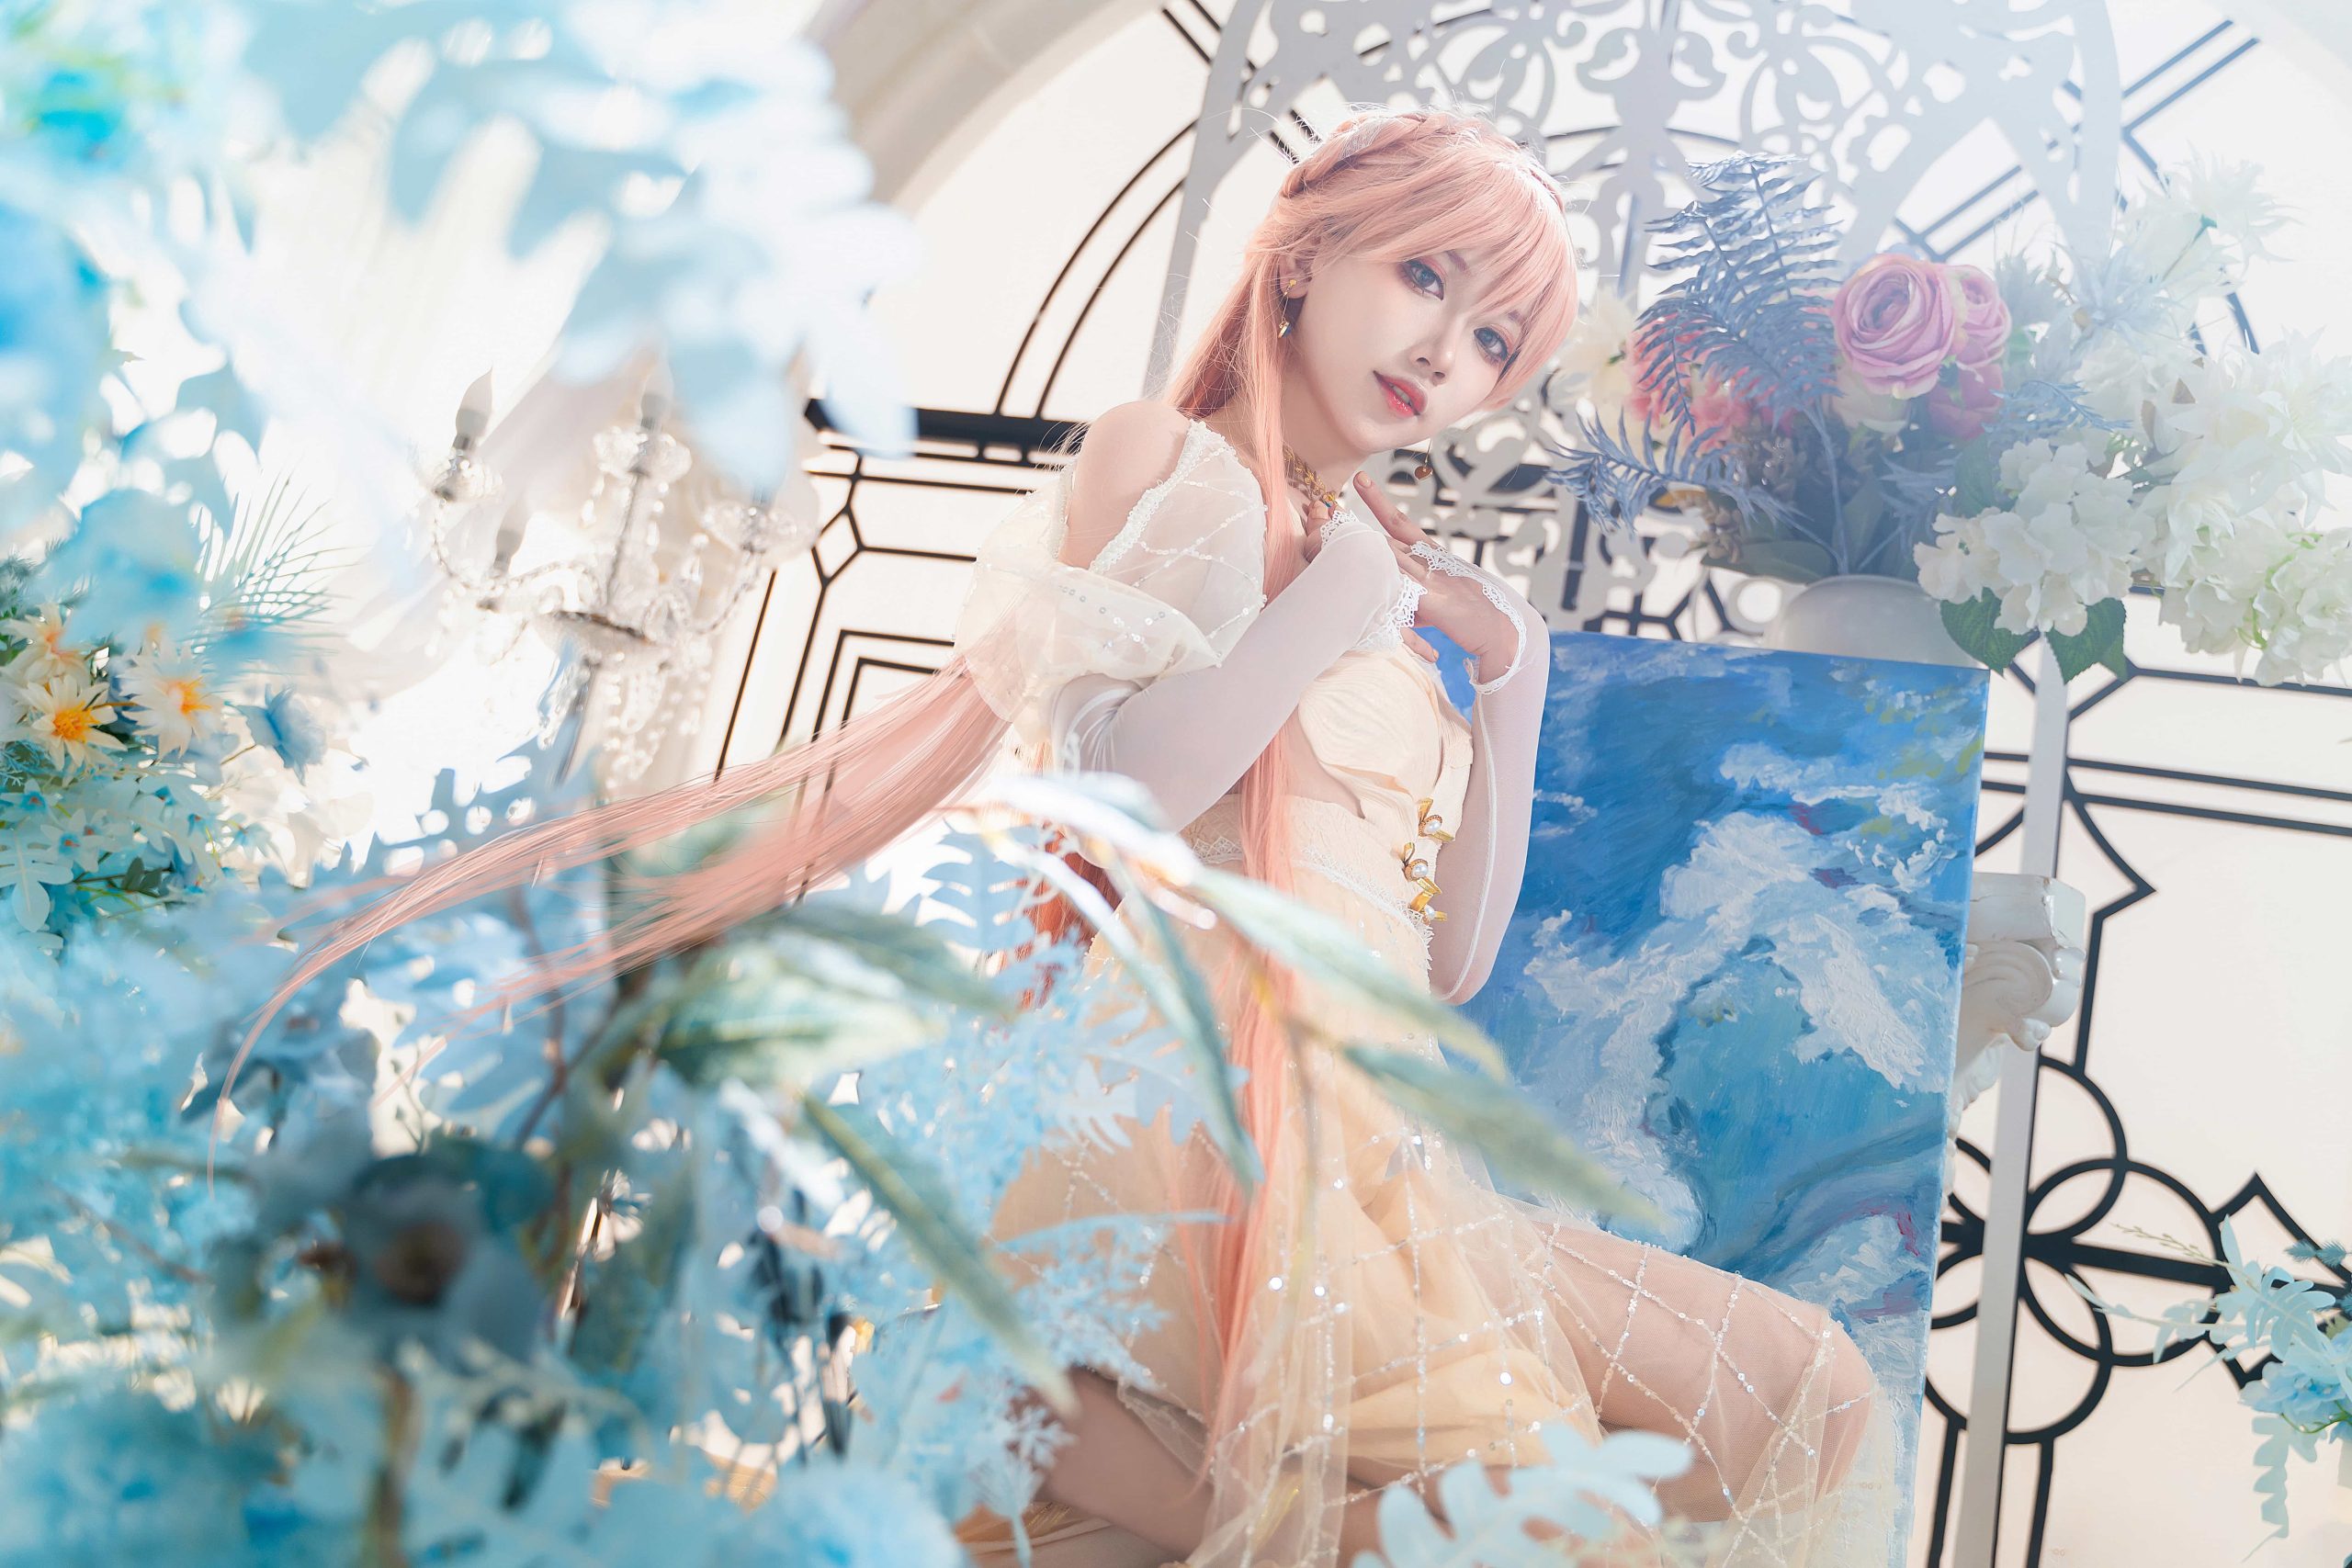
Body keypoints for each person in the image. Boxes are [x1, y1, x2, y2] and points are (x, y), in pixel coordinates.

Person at [252, 105, 1897, 1566]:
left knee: (1803, 1399)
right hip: (1185, 1095)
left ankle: (1212, 1503)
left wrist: (1514, 685)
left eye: (1493, 340)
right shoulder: (1168, 460)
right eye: (1425, 276)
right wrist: (1320, 612)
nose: (1442, 352)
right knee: (1446, 1511)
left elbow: (1446, 964)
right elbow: (1116, 795)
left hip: (1377, 1144)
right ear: (1306, 255)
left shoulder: (1386, 594)